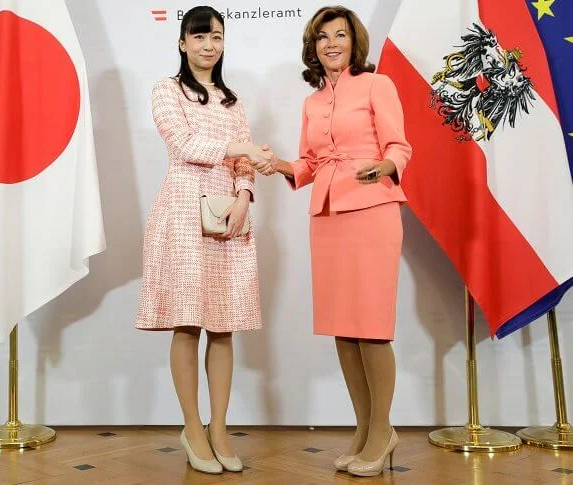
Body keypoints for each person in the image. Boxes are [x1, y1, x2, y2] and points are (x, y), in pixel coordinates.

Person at [253, 6, 412, 477]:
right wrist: (276, 164)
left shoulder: (376, 84)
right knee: (344, 329)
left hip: (372, 208)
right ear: (313, 46)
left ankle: (383, 432)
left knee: (372, 327)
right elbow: (308, 164)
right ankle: (364, 432)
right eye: (322, 37)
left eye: (340, 35)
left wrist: (384, 167)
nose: (332, 44)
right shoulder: (312, 102)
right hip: (327, 215)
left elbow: (399, 146)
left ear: (354, 41)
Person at [135, 6, 271, 475]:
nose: (208, 45)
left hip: (228, 217)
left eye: (216, 36)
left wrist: (244, 196)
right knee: (188, 323)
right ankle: (192, 426)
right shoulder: (166, 90)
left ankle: (219, 427)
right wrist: (243, 151)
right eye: (199, 37)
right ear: (181, 43)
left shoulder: (232, 100)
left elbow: (245, 165)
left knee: (224, 324)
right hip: (181, 211)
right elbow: (185, 146)